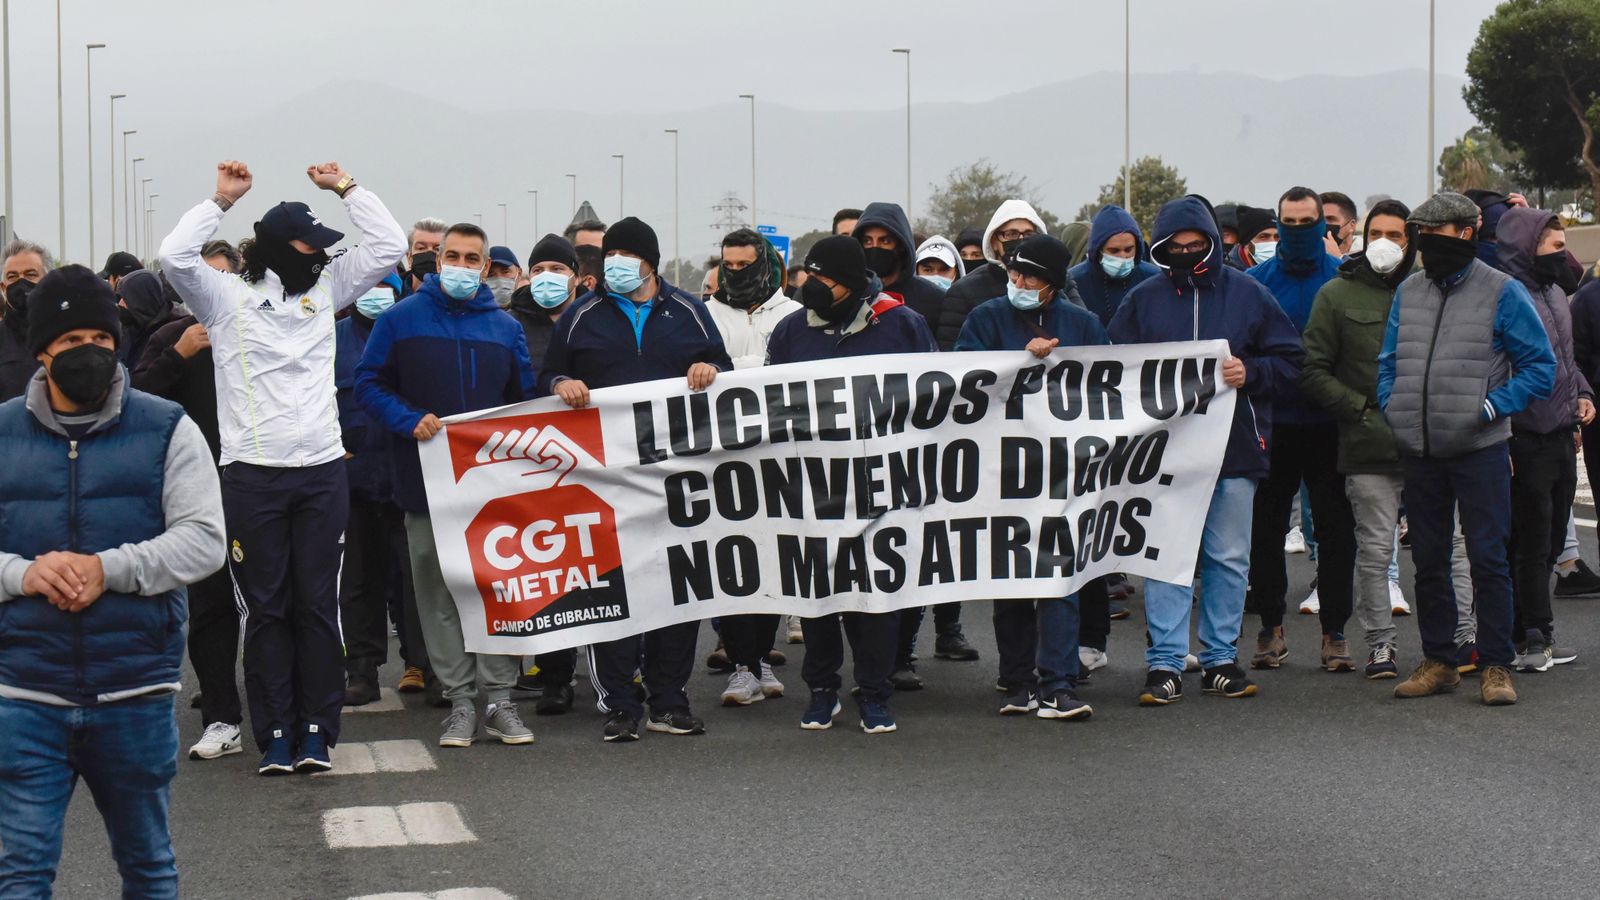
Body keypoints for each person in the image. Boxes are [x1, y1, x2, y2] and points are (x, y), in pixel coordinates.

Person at [158, 159, 406, 774]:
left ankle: (318, 730)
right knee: (266, 609)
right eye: (308, 245)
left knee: (316, 606)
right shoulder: (224, 298)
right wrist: (220, 200)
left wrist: (347, 189)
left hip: (322, 472)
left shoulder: (328, 289)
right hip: (252, 475)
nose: (320, 256)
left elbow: (390, 244)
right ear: (274, 247)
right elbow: (174, 257)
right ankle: (273, 734)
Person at [0, 265, 225, 897]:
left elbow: (204, 539)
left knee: (148, 867)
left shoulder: (168, 428)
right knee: (21, 874)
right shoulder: (2, 434)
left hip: (135, 688)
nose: (89, 353)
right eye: (72, 342)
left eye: (101, 339)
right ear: (42, 350)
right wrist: (24, 574)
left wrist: (109, 569)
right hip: (25, 693)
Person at [541, 216, 732, 742]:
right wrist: (563, 382)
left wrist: (710, 372)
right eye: (609, 255)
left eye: (627, 255)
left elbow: (729, 377)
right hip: (606, 479)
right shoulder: (581, 316)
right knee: (613, 589)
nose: (615, 264)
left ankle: (669, 700)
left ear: (651, 262)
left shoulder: (691, 313)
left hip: (677, 478)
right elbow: (548, 374)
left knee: (678, 587)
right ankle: (619, 703)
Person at [1108, 195, 1303, 706]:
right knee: (1163, 555)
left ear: (1216, 242)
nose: (1190, 253)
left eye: (1199, 245)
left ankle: (1220, 657)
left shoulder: (1249, 294)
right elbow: (1111, 370)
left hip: (1233, 448)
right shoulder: (1142, 299)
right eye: (1179, 246)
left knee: (1229, 556)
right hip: (1162, 454)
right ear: (1163, 247)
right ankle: (1165, 663)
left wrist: (1252, 373)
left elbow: (1291, 362)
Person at [357, 223, 538, 747]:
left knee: (497, 588)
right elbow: (369, 384)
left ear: (485, 266)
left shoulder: (505, 328)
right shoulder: (399, 320)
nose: (461, 265)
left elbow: (523, 401)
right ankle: (459, 701)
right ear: (437, 262)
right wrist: (408, 419)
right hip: (424, 485)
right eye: (451, 256)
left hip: (492, 488)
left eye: (471, 258)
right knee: (437, 593)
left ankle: (501, 699)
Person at [1378, 191, 1556, 706]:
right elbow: (1388, 361)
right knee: (1429, 560)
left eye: (1437, 234)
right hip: (1420, 448)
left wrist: (1490, 408)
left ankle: (1496, 664)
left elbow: (1540, 367)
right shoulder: (1409, 291)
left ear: (1467, 234)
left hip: (1480, 448)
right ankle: (1439, 659)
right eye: (1422, 235)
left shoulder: (1503, 291)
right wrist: (1394, 405)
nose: (1427, 244)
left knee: (1487, 558)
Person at [767, 235, 935, 734]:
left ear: (851, 282)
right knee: (818, 596)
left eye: (824, 279)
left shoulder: (903, 325)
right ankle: (822, 690)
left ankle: (875, 692)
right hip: (813, 485)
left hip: (881, 485)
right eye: (809, 276)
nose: (811, 286)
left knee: (875, 597)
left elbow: (932, 398)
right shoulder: (792, 329)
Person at [954, 234, 1105, 720]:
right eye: (1014, 274)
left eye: (1030, 277)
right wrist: (1022, 361)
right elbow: (962, 381)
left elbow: (1110, 387)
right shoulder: (986, 318)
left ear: (1054, 284)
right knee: (1011, 580)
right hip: (1001, 469)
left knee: (1060, 579)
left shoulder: (1083, 326)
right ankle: (1017, 682)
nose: (1018, 283)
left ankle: (1058, 684)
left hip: (1064, 472)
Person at [1299, 200, 1426, 679]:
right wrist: (1360, 411)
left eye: (1397, 235)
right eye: (1378, 233)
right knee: (1375, 552)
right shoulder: (1336, 295)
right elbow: (1312, 370)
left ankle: (1458, 640)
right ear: (1361, 235)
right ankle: (1380, 646)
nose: (1386, 244)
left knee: (1447, 550)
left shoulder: (1430, 292)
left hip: (1431, 445)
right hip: (1369, 448)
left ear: (1411, 241)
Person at [133, 239, 248, 759]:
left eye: (220, 278)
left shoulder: (259, 327)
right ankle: (222, 715)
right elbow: (135, 402)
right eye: (198, 280)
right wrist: (180, 356)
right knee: (209, 607)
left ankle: (281, 711)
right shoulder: (169, 336)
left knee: (272, 603)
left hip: (261, 480)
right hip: (197, 489)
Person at [1244, 186, 1356, 671]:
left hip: (1331, 425)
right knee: (1264, 531)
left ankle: (1335, 631)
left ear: (1321, 225)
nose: (1293, 231)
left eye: (1304, 222)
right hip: (1272, 424)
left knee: (1335, 532)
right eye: (1285, 223)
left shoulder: (1346, 278)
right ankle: (1271, 626)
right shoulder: (1254, 283)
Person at [1491, 208, 1593, 672]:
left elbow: (1565, 360)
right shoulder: (1503, 296)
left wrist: (1583, 395)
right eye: (1555, 246)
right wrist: (1503, 434)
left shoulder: (1555, 293)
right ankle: (1533, 636)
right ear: (1526, 247)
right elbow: (1495, 371)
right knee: (1528, 542)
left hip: (1559, 433)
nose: (1563, 255)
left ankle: (1528, 631)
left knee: (1552, 537)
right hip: (1522, 436)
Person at [701, 228, 800, 705]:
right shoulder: (704, 316)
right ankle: (741, 663)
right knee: (731, 561)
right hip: (721, 459)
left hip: (779, 458)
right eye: (728, 265)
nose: (735, 274)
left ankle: (761, 656)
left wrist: (736, 371)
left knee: (772, 563)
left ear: (765, 264)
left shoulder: (795, 315)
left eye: (744, 265)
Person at [334, 273, 413, 707]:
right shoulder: (332, 338)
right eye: (368, 286)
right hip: (355, 481)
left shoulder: (409, 334)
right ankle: (361, 669)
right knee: (359, 581)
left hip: (407, 477)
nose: (376, 294)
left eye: (386, 285)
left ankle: (427, 666)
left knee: (415, 580)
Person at [935, 199, 1083, 351]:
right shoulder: (963, 292)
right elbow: (954, 361)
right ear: (993, 242)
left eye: (1029, 234)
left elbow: (1081, 331)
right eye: (1011, 234)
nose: (1021, 240)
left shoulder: (1062, 282)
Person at [852, 202, 946, 330]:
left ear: (901, 246)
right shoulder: (850, 297)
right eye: (867, 241)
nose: (875, 248)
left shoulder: (934, 299)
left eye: (885, 241)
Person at [2, 240, 54, 402]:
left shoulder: (69, 336)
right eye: (13, 276)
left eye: (31, 274)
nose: (21, 282)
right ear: (3, 288)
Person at [113, 269, 176, 368]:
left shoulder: (172, 334)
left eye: (125, 299)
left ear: (139, 300)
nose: (120, 303)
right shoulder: (130, 328)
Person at [401, 217, 446, 296]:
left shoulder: (458, 299)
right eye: (421, 248)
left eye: (437, 249)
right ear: (409, 257)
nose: (429, 252)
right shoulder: (392, 296)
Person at [1224, 206, 1276, 271]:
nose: (1273, 242)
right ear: (1247, 243)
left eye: (1277, 237)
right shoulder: (1227, 275)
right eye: (1263, 237)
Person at [1320, 191, 1359, 255]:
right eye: (1319, 219)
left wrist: (1337, 258)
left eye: (1330, 219)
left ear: (1352, 225)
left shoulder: (1369, 255)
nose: (1323, 224)